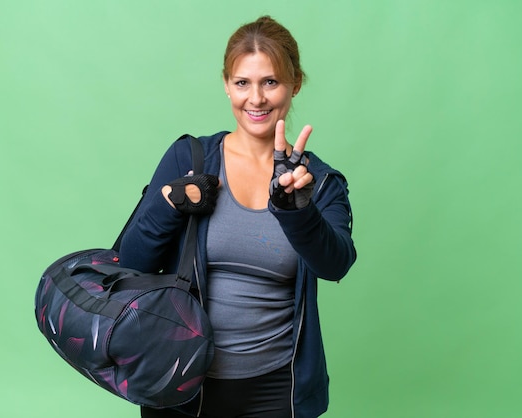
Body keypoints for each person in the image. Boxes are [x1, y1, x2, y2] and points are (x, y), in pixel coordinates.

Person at [119, 15, 357, 418]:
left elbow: (336, 264)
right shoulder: (189, 159)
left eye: (271, 82)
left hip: (277, 388)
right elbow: (132, 263)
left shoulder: (319, 182)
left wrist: (298, 210)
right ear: (227, 85)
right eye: (243, 83)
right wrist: (168, 203)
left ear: (295, 84)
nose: (256, 99)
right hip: (179, 380)